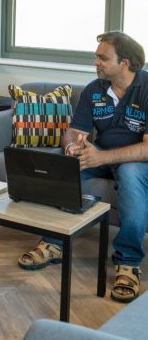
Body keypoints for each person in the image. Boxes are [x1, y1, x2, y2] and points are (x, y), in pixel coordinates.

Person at [18, 31, 148, 303]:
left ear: (125, 62)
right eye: (96, 56)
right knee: (65, 169)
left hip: (137, 161)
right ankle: (53, 243)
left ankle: (128, 262)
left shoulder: (146, 88)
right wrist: (71, 149)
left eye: (103, 58)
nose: (96, 62)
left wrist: (102, 158)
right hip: (100, 153)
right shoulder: (94, 89)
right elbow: (74, 131)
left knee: (130, 173)